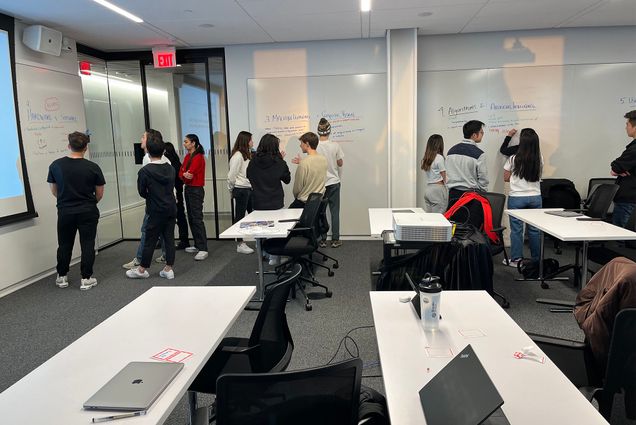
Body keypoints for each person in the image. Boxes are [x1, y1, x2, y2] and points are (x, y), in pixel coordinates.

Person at [47, 131, 105, 290]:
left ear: (68, 146)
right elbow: (99, 193)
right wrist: (89, 203)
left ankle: (62, 277)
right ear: (86, 148)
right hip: (88, 210)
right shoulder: (93, 167)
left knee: (64, 243)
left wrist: (66, 200)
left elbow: (54, 191)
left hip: (65, 211)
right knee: (87, 243)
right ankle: (86, 278)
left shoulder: (56, 165)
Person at [126, 132, 177, 279]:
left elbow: (142, 192)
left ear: (148, 150)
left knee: (150, 239)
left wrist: (152, 195)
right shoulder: (170, 168)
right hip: (170, 207)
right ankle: (168, 269)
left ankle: (142, 270)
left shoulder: (145, 171)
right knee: (169, 238)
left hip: (155, 209)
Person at [503, 128, 543, 267]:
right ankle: (536, 260)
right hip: (535, 198)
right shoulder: (539, 158)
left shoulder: (513, 158)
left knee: (517, 230)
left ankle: (516, 260)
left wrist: (517, 179)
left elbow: (506, 178)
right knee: (534, 230)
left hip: (517, 198)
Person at [445, 120, 489, 208]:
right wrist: (482, 194)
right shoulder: (479, 154)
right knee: (471, 221)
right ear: (474, 135)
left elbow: (448, 173)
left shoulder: (451, 151)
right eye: (481, 132)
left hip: (453, 195)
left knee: (454, 221)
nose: (483, 134)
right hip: (471, 196)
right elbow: (483, 180)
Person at [315, 118, 345, 248]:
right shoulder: (335, 145)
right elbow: (340, 163)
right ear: (329, 131)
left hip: (320, 184)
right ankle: (335, 239)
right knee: (335, 212)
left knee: (320, 212)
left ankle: (322, 239)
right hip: (334, 182)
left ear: (318, 131)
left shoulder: (315, 146)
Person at [179, 134, 208, 261]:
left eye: (186, 142)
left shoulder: (199, 157)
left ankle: (203, 248)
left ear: (193, 143)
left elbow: (189, 174)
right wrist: (184, 174)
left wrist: (185, 174)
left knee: (197, 218)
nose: (184, 144)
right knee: (191, 217)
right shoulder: (187, 156)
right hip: (188, 188)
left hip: (196, 190)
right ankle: (197, 245)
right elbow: (181, 173)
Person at [246, 133, 291, 210]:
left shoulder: (252, 162)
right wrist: (281, 161)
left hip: (258, 202)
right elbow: (287, 180)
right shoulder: (279, 163)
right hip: (276, 202)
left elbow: (248, 176)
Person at [228, 131, 255, 254]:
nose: (252, 142)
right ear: (245, 141)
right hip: (240, 189)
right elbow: (231, 175)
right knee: (239, 217)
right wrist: (231, 189)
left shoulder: (246, 155)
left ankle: (258, 240)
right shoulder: (237, 156)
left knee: (254, 215)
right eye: (251, 140)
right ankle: (240, 243)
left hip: (247, 188)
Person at [610, 110, 636, 228]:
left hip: (629, 199)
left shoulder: (634, 149)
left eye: (627, 124)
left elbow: (615, 168)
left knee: (621, 235)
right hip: (630, 197)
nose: (626, 128)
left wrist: (621, 170)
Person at [163, 142, 189, 250]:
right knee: (179, 217)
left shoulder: (171, 165)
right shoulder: (176, 163)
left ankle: (183, 240)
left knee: (178, 217)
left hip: (174, 194)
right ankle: (183, 240)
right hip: (176, 193)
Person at [290, 132, 327, 208]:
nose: (300, 145)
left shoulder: (304, 163)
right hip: (317, 203)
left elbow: (297, 189)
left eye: (301, 143)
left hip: (303, 204)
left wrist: (302, 163)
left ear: (307, 144)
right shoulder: (324, 160)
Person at [420, 134, 448, 214]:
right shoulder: (439, 157)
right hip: (438, 190)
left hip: (428, 190)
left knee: (430, 219)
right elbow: (444, 176)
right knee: (439, 219)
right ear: (440, 144)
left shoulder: (426, 158)